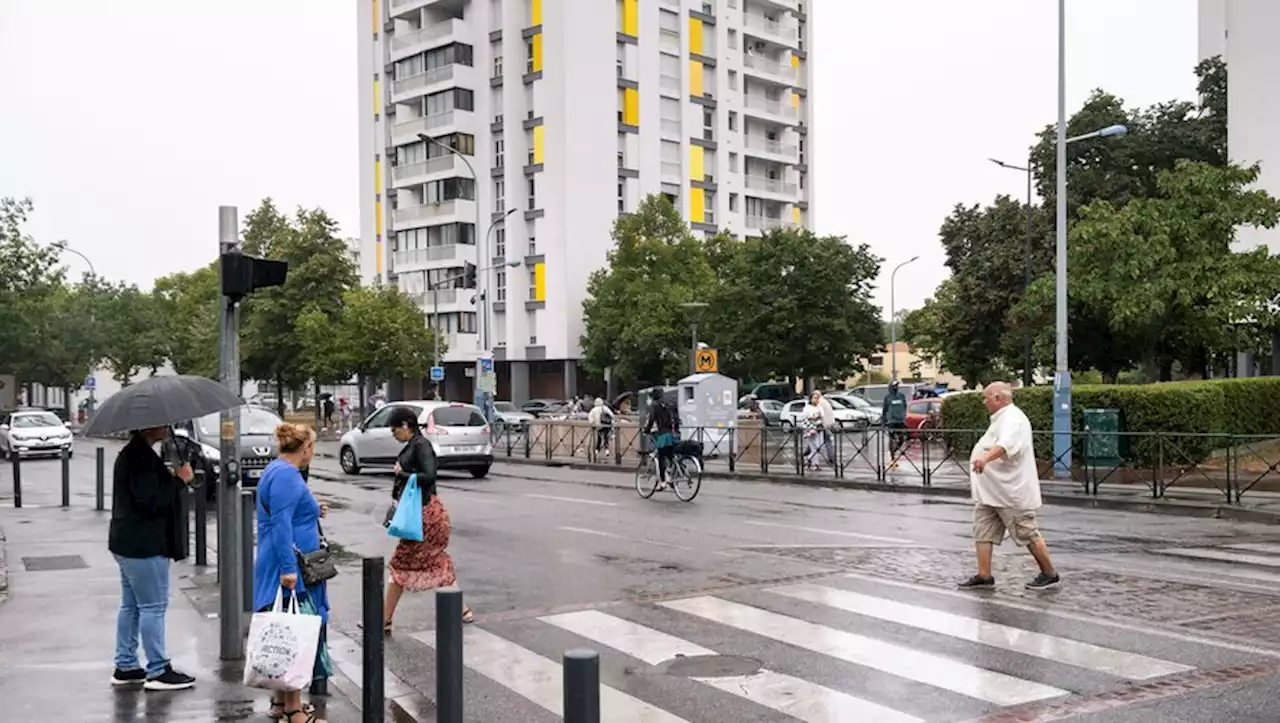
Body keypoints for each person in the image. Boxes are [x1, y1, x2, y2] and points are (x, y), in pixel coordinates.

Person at [109, 426, 197, 691]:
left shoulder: (135, 454)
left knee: (132, 605)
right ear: (148, 425)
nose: (166, 425)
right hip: (144, 545)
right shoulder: (141, 458)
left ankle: (125, 665)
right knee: (152, 607)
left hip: (127, 542)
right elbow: (151, 503)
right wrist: (179, 480)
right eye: (161, 421)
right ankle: (157, 669)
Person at [254, 423, 331, 723]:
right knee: (296, 634)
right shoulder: (287, 475)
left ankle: (279, 701)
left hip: (283, 562)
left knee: (283, 629)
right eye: (313, 447)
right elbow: (281, 524)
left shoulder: (276, 469)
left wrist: (314, 509)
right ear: (306, 448)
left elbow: (287, 511)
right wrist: (288, 570)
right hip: (289, 567)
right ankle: (294, 710)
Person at [959, 382, 1060, 591]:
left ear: (997, 398)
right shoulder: (1001, 418)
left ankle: (1049, 572)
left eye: (986, 397)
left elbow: (1006, 445)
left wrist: (984, 459)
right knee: (983, 531)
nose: (984, 401)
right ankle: (984, 575)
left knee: (1027, 532)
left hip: (1010, 492)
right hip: (991, 492)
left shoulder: (1013, 418)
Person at [383, 406, 473, 632]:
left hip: (424, 515)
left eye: (395, 430)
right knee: (433, 561)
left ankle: (384, 619)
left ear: (406, 425)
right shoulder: (413, 445)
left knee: (401, 563)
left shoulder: (421, 446)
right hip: (423, 513)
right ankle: (463, 610)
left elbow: (429, 475)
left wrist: (402, 473)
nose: (393, 435)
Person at [642, 388, 680, 485]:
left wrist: (646, 430)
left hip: (663, 434)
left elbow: (651, 420)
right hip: (674, 433)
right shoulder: (670, 403)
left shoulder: (655, 405)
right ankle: (672, 474)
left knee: (661, 456)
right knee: (670, 454)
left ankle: (663, 481)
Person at [881, 381, 909, 465]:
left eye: (897, 386)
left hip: (900, 421)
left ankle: (895, 451)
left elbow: (904, 406)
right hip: (891, 421)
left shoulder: (901, 396)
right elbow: (884, 410)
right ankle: (892, 456)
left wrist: (903, 417)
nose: (896, 387)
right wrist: (884, 421)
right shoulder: (888, 397)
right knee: (892, 438)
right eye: (894, 386)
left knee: (901, 439)